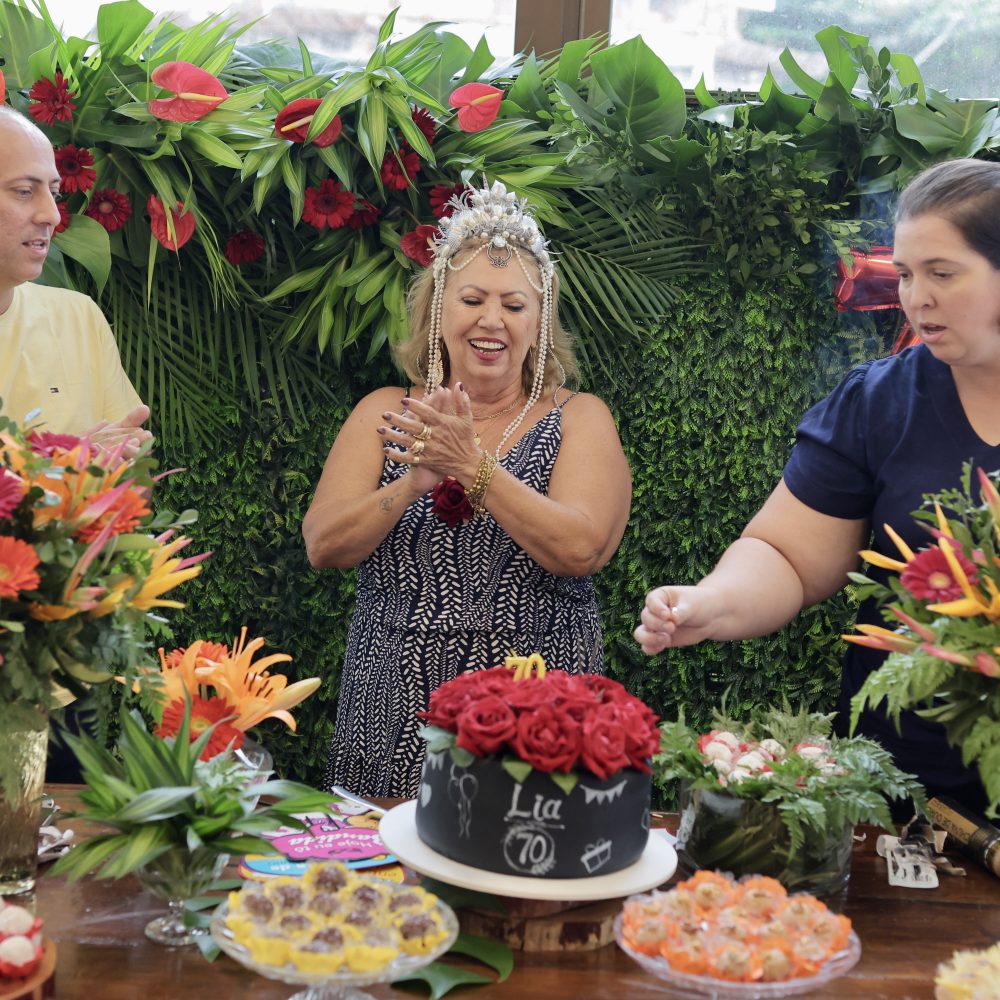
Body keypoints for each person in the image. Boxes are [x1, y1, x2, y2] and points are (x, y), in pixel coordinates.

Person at [635, 157, 1000, 811]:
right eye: (909, 274)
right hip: (901, 787)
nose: (918, 297)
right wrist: (712, 602)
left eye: (943, 273)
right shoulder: (880, 402)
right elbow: (790, 557)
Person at [303, 180, 632, 797]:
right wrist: (414, 483)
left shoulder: (581, 417)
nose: (492, 320)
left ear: (539, 324)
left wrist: (470, 467)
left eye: (514, 305)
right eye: (472, 299)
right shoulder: (384, 410)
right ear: (437, 313)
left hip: (535, 709)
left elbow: (582, 547)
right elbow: (322, 543)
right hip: (395, 704)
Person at [0, 104, 150, 453]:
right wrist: (62, 470)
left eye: (54, 193)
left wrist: (107, 465)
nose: (51, 214)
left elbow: (137, 484)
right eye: (24, 191)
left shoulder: (78, 317)